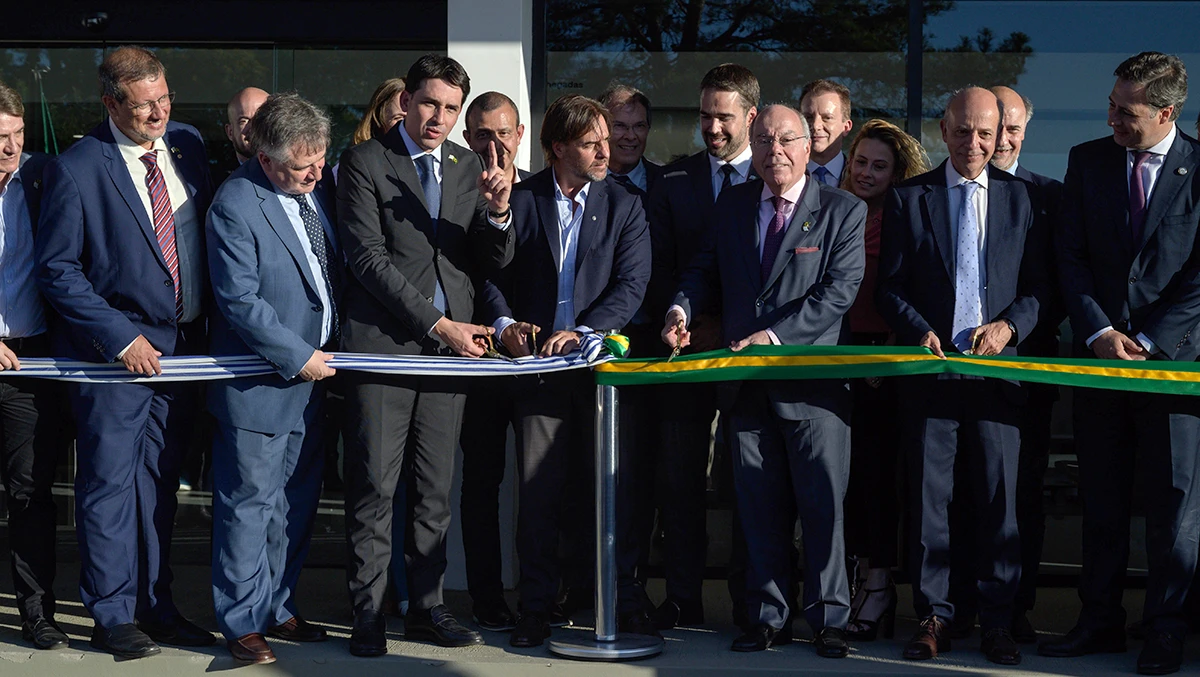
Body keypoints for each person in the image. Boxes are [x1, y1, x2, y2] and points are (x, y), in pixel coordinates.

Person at [35, 45, 216, 659]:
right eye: (144, 106)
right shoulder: (78, 167)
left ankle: (156, 607)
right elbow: (58, 271)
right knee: (109, 488)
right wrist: (119, 338)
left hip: (184, 353)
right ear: (110, 103)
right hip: (114, 360)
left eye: (165, 99)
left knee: (160, 486)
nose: (159, 113)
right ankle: (111, 614)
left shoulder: (189, 146)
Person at [663, 103, 864, 657]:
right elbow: (704, 269)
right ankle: (767, 617)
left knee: (822, 509)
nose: (775, 151)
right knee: (758, 508)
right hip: (745, 387)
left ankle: (830, 620)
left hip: (812, 390)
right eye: (765, 140)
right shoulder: (733, 204)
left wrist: (773, 339)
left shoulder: (842, 210)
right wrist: (681, 310)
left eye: (786, 140)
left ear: (808, 147)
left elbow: (837, 294)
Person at [336, 53, 513, 656]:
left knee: (436, 490)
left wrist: (498, 212)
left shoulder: (468, 167)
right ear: (406, 100)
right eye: (430, 103)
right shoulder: (364, 160)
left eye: (451, 108)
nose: (439, 117)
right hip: (387, 350)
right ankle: (368, 611)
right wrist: (441, 326)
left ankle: (427, 608)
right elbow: (366, 259)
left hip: (450, 358)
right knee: (375, 489)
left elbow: (490, 261)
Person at [876, 86, 1050, 666]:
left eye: (985, 132)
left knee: (999, 501)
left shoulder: (1024, 199)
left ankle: (998, 620)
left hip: (999, 378)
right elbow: (891, 286)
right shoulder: (908, 199)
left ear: (1001, 132)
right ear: (942, 130)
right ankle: (934, 616)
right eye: (961, 131)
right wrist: (917, 328)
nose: (973, 144)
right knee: (931, 501)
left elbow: (1040, 289)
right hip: (931, 374)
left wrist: (1007, 329)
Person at [1042, 51, 1200, 676]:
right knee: (1101, 499)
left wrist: (1153, 340)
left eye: (1126, 111)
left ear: (1166, 112)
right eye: (1110, 105)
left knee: (1173, 505)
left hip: (1175, 368)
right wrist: (1101, 330)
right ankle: (1098, 621)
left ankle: (1165, 628)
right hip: (1101, 364)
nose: (1111, 118)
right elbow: (1069, 255)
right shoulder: (1088, 161)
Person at [478, 94, 652, 648]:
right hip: (535, 372)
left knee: (608, 491)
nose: (607, 149)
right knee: (539, 496)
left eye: (606, 138)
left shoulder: (624, 203)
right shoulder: (520, 197)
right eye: (591, 142)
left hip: (597, 371)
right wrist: (504, 323)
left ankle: (613, 598)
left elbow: (632, 284)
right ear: (557, 148)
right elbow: (488, 270)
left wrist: (587, 331)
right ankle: (535, 607)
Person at [205, 92, 340, 665]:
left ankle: (277, 606)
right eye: (301, 164)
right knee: (248, 506)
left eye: (319, 159)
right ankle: (241, 623)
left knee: (294, 504)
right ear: (264, 158)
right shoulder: (236, 203)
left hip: (316, 383)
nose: (315, 172)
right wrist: (296, 353)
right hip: (264, 384)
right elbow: (239, 299)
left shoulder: (318, 188)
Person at [945, 86, 1063, 645]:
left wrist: (1012, 326)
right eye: (997, 129)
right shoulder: (941, 192)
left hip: (1020, 380)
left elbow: (1053, 287)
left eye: (1011, 130)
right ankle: (958, 608)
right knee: (957, 497)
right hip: (947, 376)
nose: (1001, 140)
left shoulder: (1044, 197)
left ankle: (1014, 608)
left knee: (1015, 498)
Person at [643, 63, 759, 632]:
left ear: (751, 117)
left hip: (749, 357)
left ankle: (747, 605)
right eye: (705, 115)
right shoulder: (672, 181)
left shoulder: (776, 179)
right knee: (679, 481)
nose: (712, 127)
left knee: (746, 484)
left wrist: (725, 325)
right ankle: (683, 598)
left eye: (724, 116)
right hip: (683, 355)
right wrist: (685, 319)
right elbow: (662, 268)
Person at [837, 119, 929, 642]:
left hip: (887, 361)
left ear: (897, 175)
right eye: (860, 162)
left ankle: (879, 584)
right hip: (834, 355)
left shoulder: (903, 215)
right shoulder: (832, 209)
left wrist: (887, 353)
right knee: (843, 483)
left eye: (879, 166)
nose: (866, 173)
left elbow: (909, 286)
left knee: (879, 481)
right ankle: (850, 582)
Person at [457, 89, 532, 632]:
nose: (494, 144)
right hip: (481, 355)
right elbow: (472, 275)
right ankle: (486, 597)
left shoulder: (544, 188)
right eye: (482, 133)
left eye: (503, 132)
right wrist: (500, 324)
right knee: (481, 484)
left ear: (520, 135)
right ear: (467, 137)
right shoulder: (450, 187)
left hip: (539, 358)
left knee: (543, 482)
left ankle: (540, 594)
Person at [0, 79, 69, 651]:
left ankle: (36, 611)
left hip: (30, 361)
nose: (12, 148)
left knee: (29, 492)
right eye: (0, 138)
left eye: (18, 135)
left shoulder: (44, 178)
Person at [598, 83, 664, 193]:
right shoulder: (581, 182)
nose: (630, 136)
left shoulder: (665, 183)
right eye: (619, 126)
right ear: (599, 129)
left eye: (639, 126)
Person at [800, 79, 854, 187]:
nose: (815, 125)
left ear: (846, 127)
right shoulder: (787, 175)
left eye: (827, 118)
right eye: (808, 117)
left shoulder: (858, 177)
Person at [352, 78, 406, 146]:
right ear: (378, 121)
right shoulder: (362, 155)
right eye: (399, 119)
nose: (408, 125)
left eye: (415, 119)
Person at [224, 87, 269, 165]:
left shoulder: (290, 173)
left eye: (260, 120)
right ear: (230, 132)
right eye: (244, 121)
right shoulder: (217, 175)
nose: (253, 128)